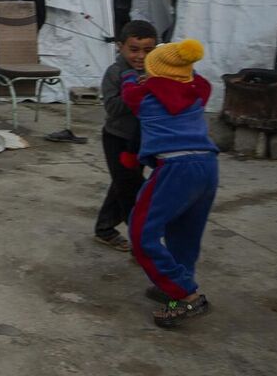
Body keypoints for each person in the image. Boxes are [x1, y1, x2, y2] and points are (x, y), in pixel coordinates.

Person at [120, 38, 218, 329]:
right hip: (208, 166)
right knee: (185, 233)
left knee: (141, 233)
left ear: (153, 72)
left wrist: (130, 73)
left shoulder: (145, 97)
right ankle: (174, 289)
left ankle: (186, 294)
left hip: (175, 167)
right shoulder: (198, 92)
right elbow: (194, 78)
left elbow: (127, 90)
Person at [93, 20, 160, 252]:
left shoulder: (156, 71)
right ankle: (143, 242)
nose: (140, 56)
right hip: (117, 138)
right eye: (134, 49)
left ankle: (104, 228)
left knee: (122, 185)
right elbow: (112, 107)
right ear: (120, 47)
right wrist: (136, 92)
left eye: (148, 50)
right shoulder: (115, 73)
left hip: (142, 139)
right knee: (130, 190)